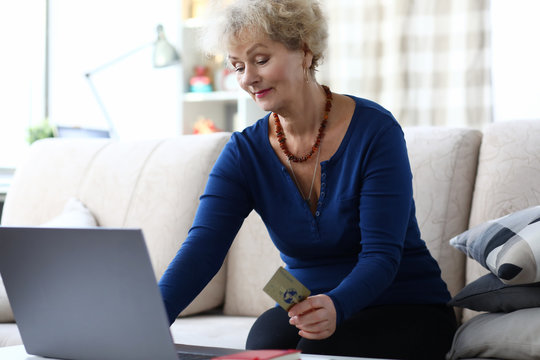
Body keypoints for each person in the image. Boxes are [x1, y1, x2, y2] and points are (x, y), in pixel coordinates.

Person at [159, 0, 457, 359]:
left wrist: (338, 306)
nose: (247, 78)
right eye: (237, 66)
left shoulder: (375, 132)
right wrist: (147, 320)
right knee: (264, 342)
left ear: (304, 51)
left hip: (403, 302)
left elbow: (381, 255)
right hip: (309, 307)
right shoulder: (243, 153)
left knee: (324, 347)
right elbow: (201, 250)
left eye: (261, 60)